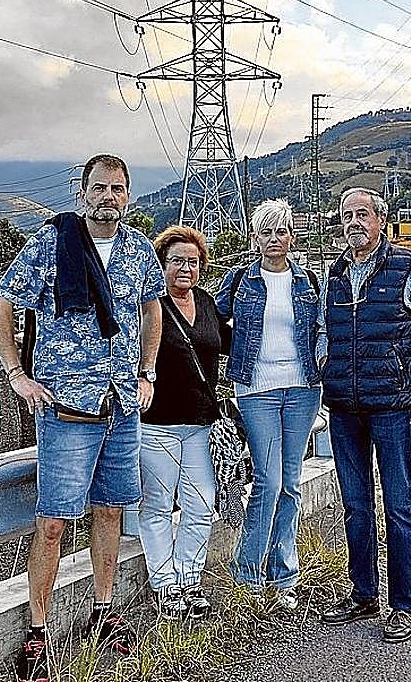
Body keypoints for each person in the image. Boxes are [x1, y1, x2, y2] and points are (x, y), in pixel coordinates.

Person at [0, 154, 164, 682]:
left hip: (122, 406)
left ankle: (103, 614)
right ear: (82, 191)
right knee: (54, 522)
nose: (109, 197)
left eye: (118, 188)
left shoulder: (137, 250)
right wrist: (17, 373)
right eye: (100, 188)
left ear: (128, 194)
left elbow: (153, 309)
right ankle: (38, 632)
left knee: (110, 512)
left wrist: (148, 370)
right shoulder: (50, 244)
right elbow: (1, 306)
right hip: (67, 409)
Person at [316, 187, 411, 644]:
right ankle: (363, 594)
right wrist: (324, 369)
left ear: (381, 220)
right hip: (344, 407)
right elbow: (323, 332)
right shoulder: (333, 276)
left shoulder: (406, 268)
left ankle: (402, 605)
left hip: (394, 405)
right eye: (346, 215)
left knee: (398, 506)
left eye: (363, 214)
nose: (354, 222)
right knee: (355, 505)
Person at [215, 199, 322, 611]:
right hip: (256, 390)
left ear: (292, 235)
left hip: (302, 388)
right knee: (269, 481)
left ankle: (283, 576)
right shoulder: (240, 280)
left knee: (291, 484)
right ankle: (248, 574)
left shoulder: (309, 282)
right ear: (255, 237)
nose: (273, 240)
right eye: (265, 232)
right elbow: (208, 321)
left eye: (281, 232)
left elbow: (322, 328)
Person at [137, 225, 230, 620]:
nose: (185, 268)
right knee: (157, 505)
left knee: (201, 503)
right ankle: (165, 586)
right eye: (176, 261)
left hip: (201, 425)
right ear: (161, 264)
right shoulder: (150, 305)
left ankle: (189, 580)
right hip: (157, 422)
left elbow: (230, 343)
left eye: (193, 262)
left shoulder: (207, 304)